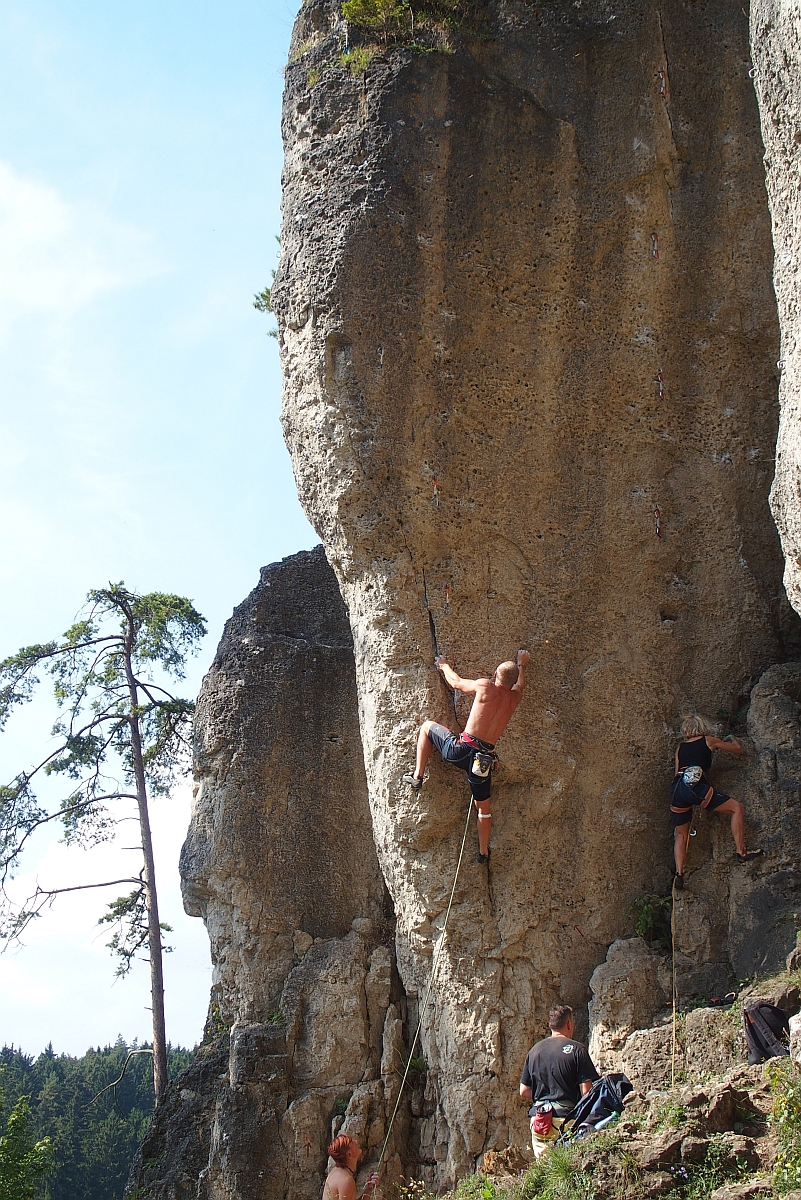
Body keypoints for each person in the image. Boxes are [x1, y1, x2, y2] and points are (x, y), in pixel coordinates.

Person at [402, 649, 530, 863]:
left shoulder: (485, 686)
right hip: (483, 761)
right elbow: (519, 685)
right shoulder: (515, 698)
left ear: (495, 675)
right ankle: (483, 853)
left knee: (426, 727)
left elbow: (456, 683)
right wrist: (521, 664)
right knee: (484, 809)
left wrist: (443, 665)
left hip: (460, 750)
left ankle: (417, 775)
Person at [670, 713, 763, 890]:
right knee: (736, 808)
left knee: (681, 834)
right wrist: (732, 738)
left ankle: (679, 874)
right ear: (701, 727)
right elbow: (737, 750)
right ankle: (741, 852)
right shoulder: (709, 740)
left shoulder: (680, 749)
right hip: (695, 787)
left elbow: (677, 772)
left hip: (677, 790)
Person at [519, 1004, 599, 1156]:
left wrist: (545, 1095)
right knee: (568, 1168)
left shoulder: (534, 1051)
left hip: (540, 1120)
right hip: (565, 1119)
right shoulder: (577, 1049)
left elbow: (524, 1091)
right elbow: (586, 1092)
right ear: (569, 1024)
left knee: (545, 1171)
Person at [322, 1136, 378, 1200]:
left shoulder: (336, 1171)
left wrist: (369, 1188)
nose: (356, 1142)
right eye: (352, 1142)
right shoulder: (346, 1180)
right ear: (349, 1154)